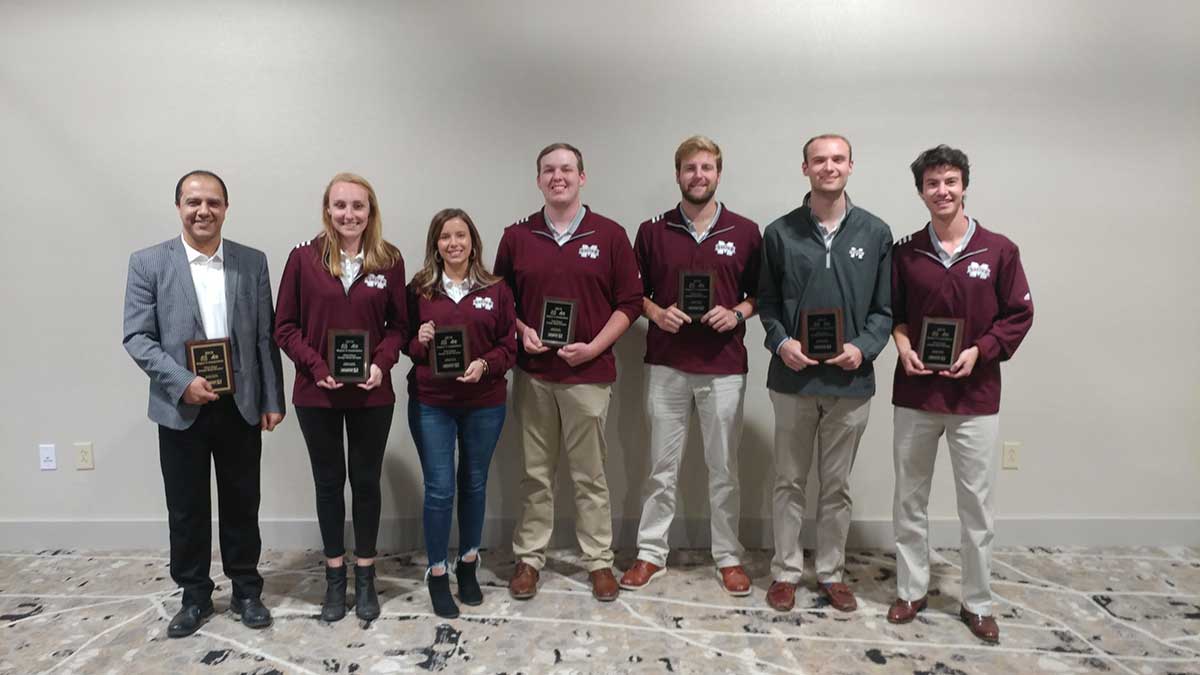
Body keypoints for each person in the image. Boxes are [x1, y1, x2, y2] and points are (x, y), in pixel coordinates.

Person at [123, 170, 285, 637]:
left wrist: (272, 397)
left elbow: (264, 337)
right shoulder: (148, 263)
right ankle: (194, 595)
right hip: (180, 407)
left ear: (226, 209)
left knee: (242, 502)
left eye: (213, 203)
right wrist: (181, 381)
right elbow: (137, 336)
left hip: (241, 405)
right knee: (187, 507)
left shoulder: (251, 262)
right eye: (193, 202)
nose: (203, 211)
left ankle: (246, 590)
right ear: (178, 207)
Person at [886, 145, 1033, 644]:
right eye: (932, 184)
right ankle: (911, 590)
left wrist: (982, 351)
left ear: (964, 185)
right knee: (909, 499)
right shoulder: (905, 252)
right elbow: (893, 316)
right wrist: (903, 346)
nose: (942, 191)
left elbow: (1018, 315)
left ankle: (978, 602)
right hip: (915, 395)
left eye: (950, 181)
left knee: (976, 506)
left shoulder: (999, 249)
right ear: (921, 191)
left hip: (975, 397)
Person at [494, 142, 642, 602]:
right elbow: (502, 303)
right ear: (538, 179)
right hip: (534, 374)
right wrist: (521, 331)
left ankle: (598, 561)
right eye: (548, 170)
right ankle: (530, 559)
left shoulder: (611, 235)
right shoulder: (517, 237)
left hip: (589, 374)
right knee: (536, 474)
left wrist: (594, 347)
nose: (558, 176)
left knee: (590, 475)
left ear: (583, 176)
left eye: (566, 169)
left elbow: (630, 304)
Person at [620, 135, 762, 596]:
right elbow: (628, 292)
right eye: (689, 168)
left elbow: (764, 294)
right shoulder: (651, 231)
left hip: (724, 366)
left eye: (707, 168)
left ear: (719, 173)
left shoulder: (745, 231)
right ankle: (650, 554)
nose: (698, 176)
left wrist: (738, 312)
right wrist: (656, 312)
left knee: (724, 468)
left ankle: (727, 557)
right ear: (677, 174)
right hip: (668, 363)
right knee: (661, 468)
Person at [758, 134, 893, 613]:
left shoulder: (876, 233)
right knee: (788, 481)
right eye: (820, 160)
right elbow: (767, 304)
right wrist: (780, 342)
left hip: (851, 383)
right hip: (792, 380)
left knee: (836, 487)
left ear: (851, 166)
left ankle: (832, 573)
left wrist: (863, 348)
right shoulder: (779, 233)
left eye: (838, 159)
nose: (828, 167)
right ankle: (786, 571)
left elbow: (885, 309)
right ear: (805, 169)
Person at [273, 173, 407, 622]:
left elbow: (399, 328)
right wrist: (316, 365)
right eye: (340, 206)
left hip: (372, 393)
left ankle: (365, 577)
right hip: (317, 394)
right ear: (327, 210)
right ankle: (334, 578)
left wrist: (380, 364)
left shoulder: (389, 260)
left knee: (366, 484)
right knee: (329, 485)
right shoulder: (302, 259)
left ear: (371, 211)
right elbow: (284, 327)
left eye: (358, 206)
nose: (349, 215)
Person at [404, 209, 516, 618]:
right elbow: (406, 345)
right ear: (435, 243)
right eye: (445, 236)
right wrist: (419, 340)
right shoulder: (419, 289)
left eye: (461, 235)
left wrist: (485, 365)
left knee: (473, 483)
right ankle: (437, 572)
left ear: (473, 241)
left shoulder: (497, 289)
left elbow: (509, 346)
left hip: (484, 402)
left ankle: (468, 563)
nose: (454, 243)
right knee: (439, 489)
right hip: (433, 402)